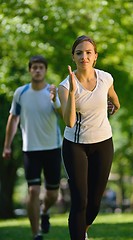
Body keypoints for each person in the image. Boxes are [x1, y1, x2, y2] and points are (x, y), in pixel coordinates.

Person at [58, 35, 120, 240]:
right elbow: (69, 121)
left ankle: (81, 231)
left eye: (88, 52)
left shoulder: (106, 78)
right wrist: (75, 91)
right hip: (75, 146)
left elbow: (113, 98)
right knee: (80, 201)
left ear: (95, 57)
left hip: (103, 143)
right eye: (79, 53)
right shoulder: (65, 87)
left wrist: (114, 106)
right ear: (73, 57)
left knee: (94, 202)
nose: (84, 56)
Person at [2, 55, 62, 240]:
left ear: (45, 70)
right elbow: (13, 119)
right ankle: (36, 233)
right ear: (30, 70)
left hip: (53, 148)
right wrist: (7, 146)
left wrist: (55, 99)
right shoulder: (21, 93)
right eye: (34, 67)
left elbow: (62, 114)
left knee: (52, 194)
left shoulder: (53, 91)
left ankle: (44, 210)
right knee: (33, 190)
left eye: (41, 67)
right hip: (31, 150)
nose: (37, 70)